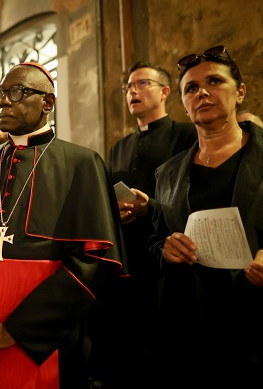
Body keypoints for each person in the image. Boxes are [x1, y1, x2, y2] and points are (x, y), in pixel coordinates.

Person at [0, 62, 126, 389]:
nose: (3, 101)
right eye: (0, 93)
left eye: (17, 92)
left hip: (46, 336)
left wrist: (17, 330)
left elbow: (89, 264)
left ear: (48, 103)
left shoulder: (82, 164)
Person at [148, 45, 263, 389]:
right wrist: (165, 249)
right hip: (191, 331)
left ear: (240, 92)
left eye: (214, 81)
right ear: (184, 103)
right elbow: (155, 239)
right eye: (191, 88)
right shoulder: (167, 173)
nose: (202, 93)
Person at [104, 61, 196, 386]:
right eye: (128, 86)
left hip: (169, 258)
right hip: (126, 256)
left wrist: (152, 207)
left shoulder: (186, 136)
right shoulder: (118, 148)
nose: (132, 91)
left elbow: (193, 197)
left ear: (165, 91)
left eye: (142, 83)